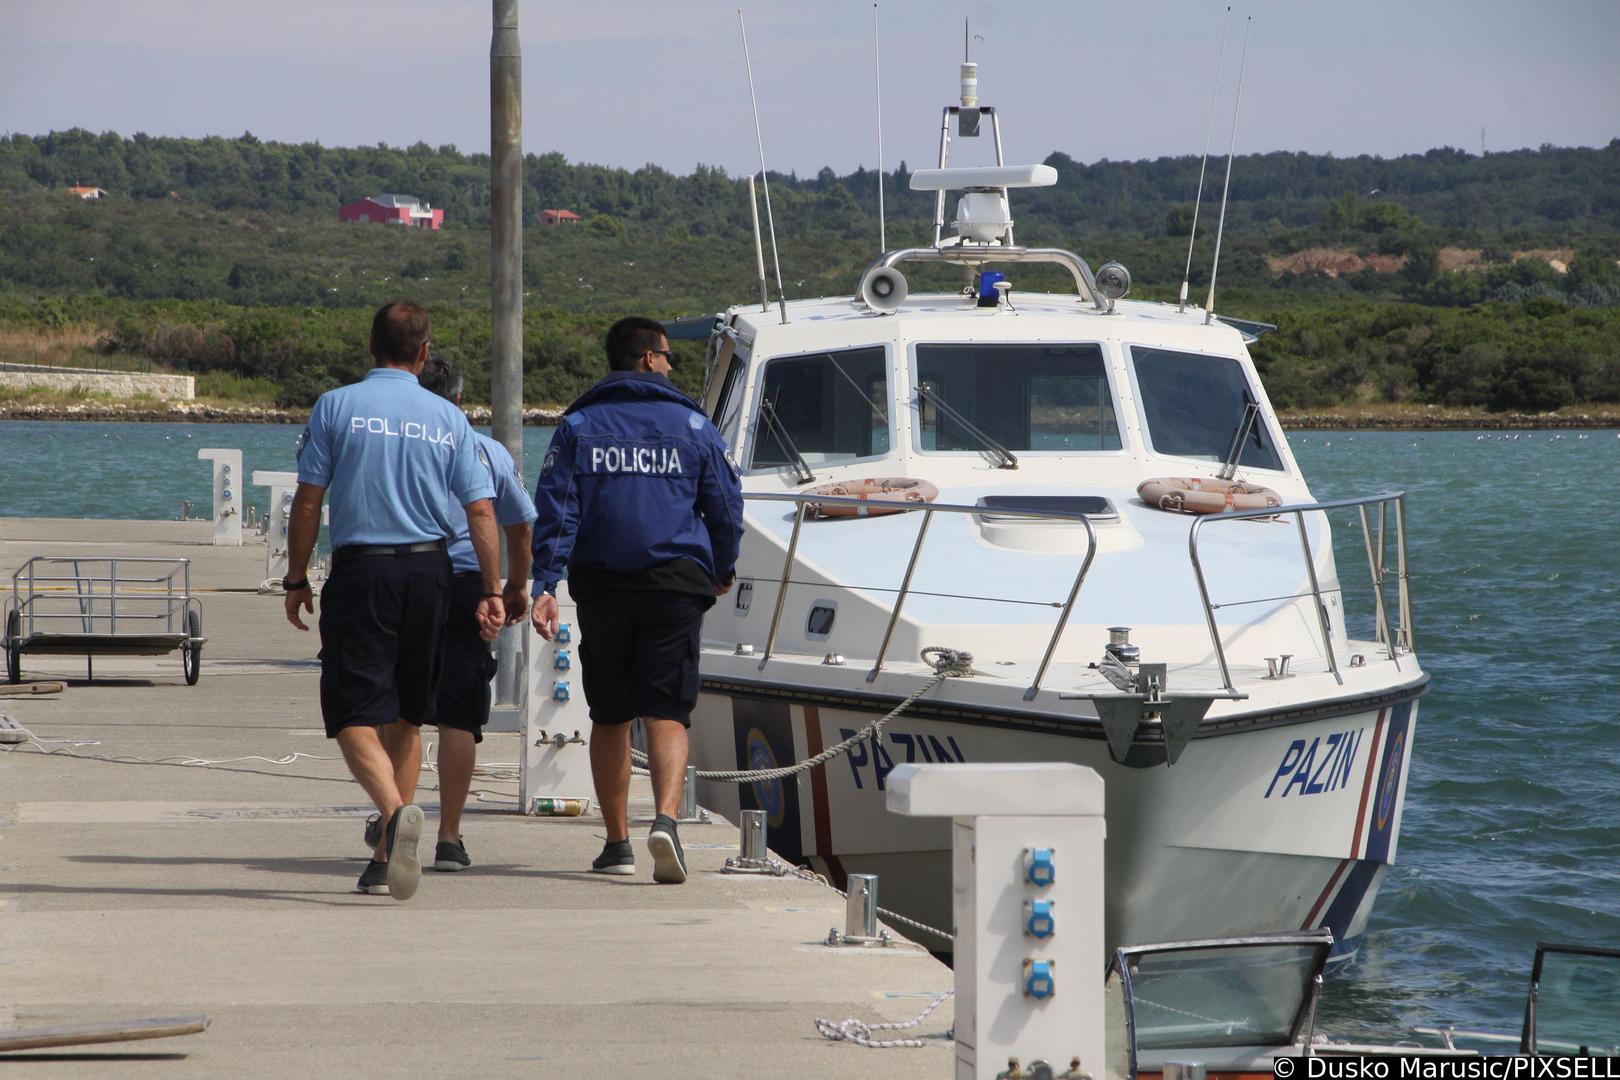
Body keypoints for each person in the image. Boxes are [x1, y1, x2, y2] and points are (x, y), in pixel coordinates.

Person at [285, 301, 505, 901]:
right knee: (408, 714)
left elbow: (308, 502)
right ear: (424, 352)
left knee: (351, 712)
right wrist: (491, 589)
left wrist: (296, 576)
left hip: (366, 571)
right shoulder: (448, 418)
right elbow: (481, 510)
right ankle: (385, 859)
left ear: (371, 346)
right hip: (432, 573)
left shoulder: (337, 405)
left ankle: (392, 815)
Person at [529, 316, 744, 884]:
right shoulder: (693, 426)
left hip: (603, 584)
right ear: (648, 358)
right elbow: (725, 502)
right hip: (674, 584)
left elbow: (557, 509)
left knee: (610, 714)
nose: (672, 365)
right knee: (669, 711)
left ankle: (618, 841)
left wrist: (544, 585)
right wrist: (723, 567)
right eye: (668, 355)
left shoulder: (578, 425)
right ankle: (667, 823)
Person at [407, 352, 537, 871]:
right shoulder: (488, 452)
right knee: (458, 718)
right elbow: (521, 527)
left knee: (403, 712)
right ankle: (450, 837)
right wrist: (514, 588)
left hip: (409, 578)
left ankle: (394, 817)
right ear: (460, 398)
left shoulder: (404, 449)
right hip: (468, 587)